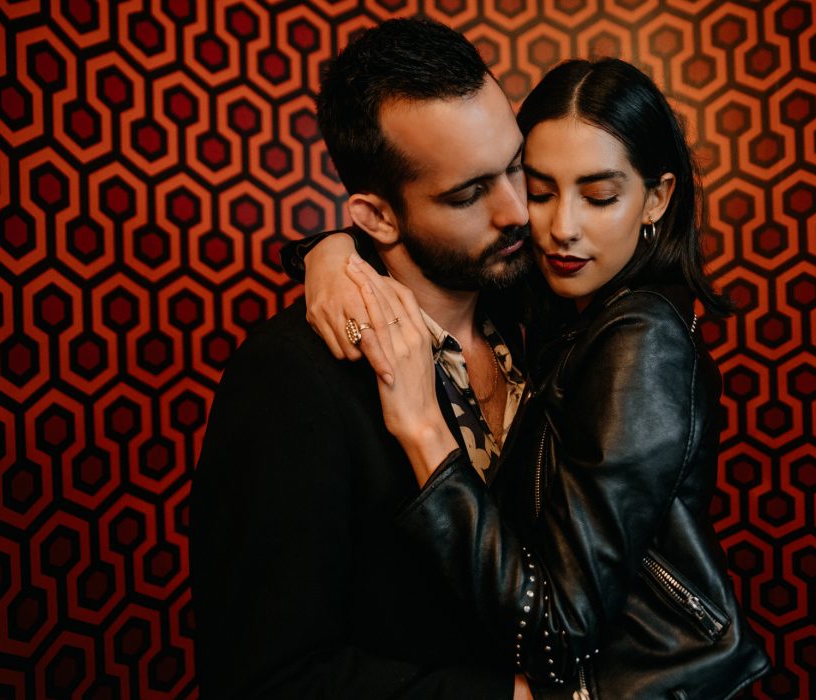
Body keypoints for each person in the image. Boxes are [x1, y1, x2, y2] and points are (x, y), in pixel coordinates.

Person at [300, 59, 772, 698]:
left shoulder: (642, 342)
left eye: (600, 197)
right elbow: (421, 235)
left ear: (657, 198)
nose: (561, 228)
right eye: (541, 191)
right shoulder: (548, 299)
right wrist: (328, 254)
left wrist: (424, 429)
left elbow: (556, 631)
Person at [189, 19, 537, 698]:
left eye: (517, 165)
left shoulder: (543, 304)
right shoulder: (291, 379)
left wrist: (325, 249)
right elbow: (267, 677)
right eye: (469, 194)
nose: (517, 210)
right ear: (377, 217)